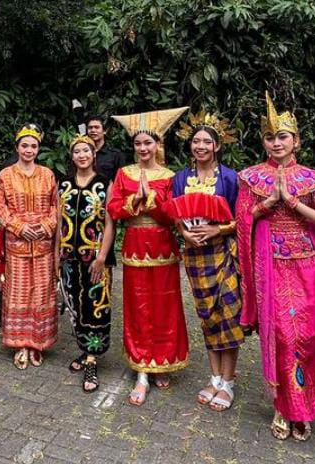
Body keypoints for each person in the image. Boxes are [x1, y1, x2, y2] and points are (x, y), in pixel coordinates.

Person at [236, 93, 315, 442]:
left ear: (296, 140)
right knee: (282, 336)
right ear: (263, 142)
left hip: (309, 269)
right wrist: (267, 203)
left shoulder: (313, 178)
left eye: (283, 136)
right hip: (271, 268)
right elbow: (242, 221)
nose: (276, 142)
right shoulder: (251, 177)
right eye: (270, 137)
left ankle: (307, 407)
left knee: (310, 336)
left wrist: (294, 203)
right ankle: (284, 407)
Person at [107, 107, 190, 405]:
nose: (143, 148)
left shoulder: (171, 177)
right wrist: (134, 199)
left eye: (148, 143)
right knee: (139, 308)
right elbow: (114, 210)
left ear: (158, 145)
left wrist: (151, 199)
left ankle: (162, 361)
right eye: (138, 144)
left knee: (165, 308)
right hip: (134, 246)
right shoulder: (123, 174)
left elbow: (173, 214)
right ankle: (142, 369)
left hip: (164, 248)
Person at [170, 110, 244, 411]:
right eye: (196, 141)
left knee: (228, 315)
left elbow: (241, 219)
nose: (200, 146)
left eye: (206, 142)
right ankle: (214, 377)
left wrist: (217, 228)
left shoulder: (230, 178)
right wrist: (184, 235)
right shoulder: (180, 178)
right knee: (207, 317)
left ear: (217, 146)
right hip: (195, 256)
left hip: (223, 254)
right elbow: (176, 216)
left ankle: (229, 381)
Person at [0, 123, 58, 369]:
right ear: (17, 147)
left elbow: (55, 206)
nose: (29, 150)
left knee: (41, 293)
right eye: (25, 145)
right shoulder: (5, 175)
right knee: (18, 292)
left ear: (38, 149)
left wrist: (47, 226)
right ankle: (20, 343)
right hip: (17, 245)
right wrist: (19, 227)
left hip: (43, 244)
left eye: (33, 146)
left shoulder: (47, 174)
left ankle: (37, 343)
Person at [58, 134, 115, 392]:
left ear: (94, 155)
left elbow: (111, 221)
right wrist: (56, 253)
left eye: (86, 151)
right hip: (69, 255)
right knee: (75, 305)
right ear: (72, 156)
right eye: (77, 151)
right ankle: (85, 349)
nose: (82, 155)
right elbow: (58, 222)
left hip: (95, 257)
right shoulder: (64, 184)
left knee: (95, 305)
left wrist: (102, 257)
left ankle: (93, 359)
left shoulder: (105, 183)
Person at [86, 115, 126, 183]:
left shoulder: (115, 155)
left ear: (104, 131)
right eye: (90, 128)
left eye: (96, 127)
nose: (93, 130)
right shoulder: (82, 154)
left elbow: (121, 181)